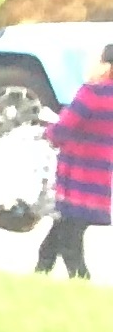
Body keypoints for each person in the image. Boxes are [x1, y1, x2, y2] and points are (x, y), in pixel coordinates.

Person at [37, 55, 113, 280]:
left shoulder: (91, 93)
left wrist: (46, 131)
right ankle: (39, 276)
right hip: (99, 178)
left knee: (69, 243)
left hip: (76, 176)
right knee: (60, 237)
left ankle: (80, 280)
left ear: (106, 66)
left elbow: (62, 130)